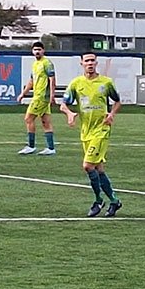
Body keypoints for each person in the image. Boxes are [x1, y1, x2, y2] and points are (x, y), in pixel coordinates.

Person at [60, 52, 122, 217]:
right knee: (99, 169)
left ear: (96, 63)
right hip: (86, 131)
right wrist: (69, 114)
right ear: (81, 63)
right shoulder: (76, 83)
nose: (90, 63)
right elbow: (63, 104)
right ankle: (114, 201)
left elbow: (117, 101)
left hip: (101, 130)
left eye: (92, 61)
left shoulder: (106, 82)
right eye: (86, 61)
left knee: (87, 166)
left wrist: (111, 115)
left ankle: (98, 200)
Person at [17, 42, 57, 155]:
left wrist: (52, 95)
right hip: (38, 96)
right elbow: (31, 81)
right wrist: (23, 94)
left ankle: (31, 146)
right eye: (35, 50)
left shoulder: (47, 63)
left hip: (42, 97)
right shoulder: (35, 64)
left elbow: (52, 79)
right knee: (46, 122)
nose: (37, 52)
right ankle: (51, 148)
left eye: (39, 49)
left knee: (28, 118)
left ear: (43, 50)